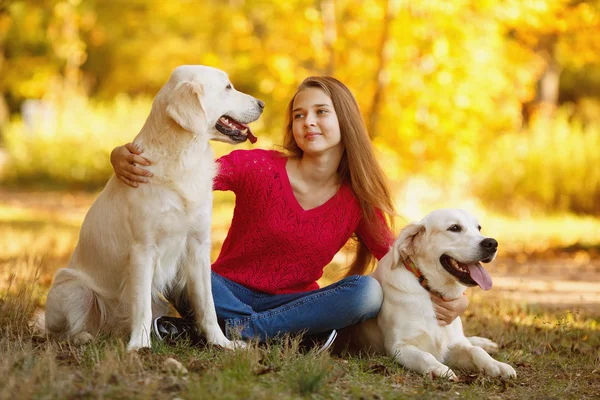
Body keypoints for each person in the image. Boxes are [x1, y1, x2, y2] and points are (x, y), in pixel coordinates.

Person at [110, 76, 468, 352]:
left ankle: (232, 332)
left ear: (345, 120)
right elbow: (181, 175)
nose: (308, 122)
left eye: (320, 112)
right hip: (221, 289)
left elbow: (401, 261)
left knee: (366, 293)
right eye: (299, 115)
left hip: (295, 302)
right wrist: (120, 156)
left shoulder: (358, 200)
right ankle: (292, 338)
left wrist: (458, 297)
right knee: (177, 271)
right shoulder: (258, 166)